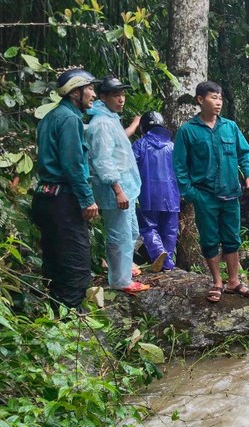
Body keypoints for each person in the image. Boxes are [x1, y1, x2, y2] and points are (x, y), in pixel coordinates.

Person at [173, 81, 249, 302]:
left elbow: (245, 153)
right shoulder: (187, 131)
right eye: (213, 98)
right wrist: (192, 194)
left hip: (231, 194)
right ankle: (217, 282)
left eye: (220, 98)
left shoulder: (230, 127)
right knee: (210, 239)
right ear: (200, 100)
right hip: (205, 196)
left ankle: (234, 281)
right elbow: (179, 167)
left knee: (232, 238)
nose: (218, 102)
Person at [31, 68, 101, 311]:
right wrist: (87, 199)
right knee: (75, 264)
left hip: (44, 197)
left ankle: (54, 315)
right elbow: (73, 164)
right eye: (90, 88)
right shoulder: (70, 119)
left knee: (54, 261)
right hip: (63, 201)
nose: (94, 94)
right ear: (75, 92)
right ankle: (72, 325)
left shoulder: (51, 116)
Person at [86, 76, 149, 293]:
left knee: (130, 231)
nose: (121, 99)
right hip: (116, 190)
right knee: (118, 234)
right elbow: (103, 161)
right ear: (102, 97)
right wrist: (118, 190)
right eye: (115, 95)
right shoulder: (102, 123)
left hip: (127, 188)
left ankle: (124, 269)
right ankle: (120, 281)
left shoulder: (110, 118)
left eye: (122, 94)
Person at [133, 111, 178, 271]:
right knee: (170, 229)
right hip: (171, 195)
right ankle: (168, 262)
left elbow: (130, 167)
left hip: (147, 194)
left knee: (148, 227)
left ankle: (159, 252)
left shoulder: (140, 144)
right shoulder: (172, 147)